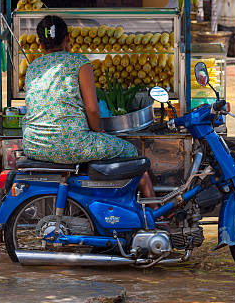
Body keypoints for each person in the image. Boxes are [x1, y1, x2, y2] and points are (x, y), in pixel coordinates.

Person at [22, 15, 155, 199]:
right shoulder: (80, 63)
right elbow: (92, 109)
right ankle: (151, 209)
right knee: (131, 152)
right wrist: (97, 130)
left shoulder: (33, 67)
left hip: (33, 144)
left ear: (40, 44)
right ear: (68, 38)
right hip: (69, 144)